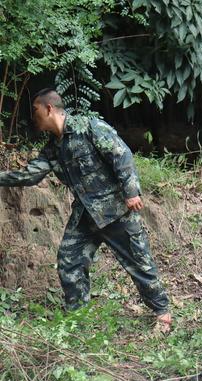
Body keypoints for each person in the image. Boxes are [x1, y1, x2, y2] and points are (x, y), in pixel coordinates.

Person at [0, 89, 172, 333]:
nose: (33, 116)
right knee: (69, 261)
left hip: (116, 211)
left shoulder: (89, 127)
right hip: (85, 216)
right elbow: (30, 175)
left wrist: (131, 191)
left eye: (35, 110)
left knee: (139, 263)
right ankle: (78, 319)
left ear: (49, 108)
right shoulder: (53, 148)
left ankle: (162, 314)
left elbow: (121, 155)